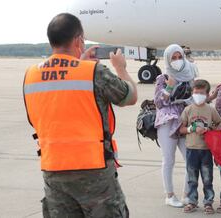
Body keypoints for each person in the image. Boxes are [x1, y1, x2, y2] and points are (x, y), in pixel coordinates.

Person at [23, 13, 137, 217]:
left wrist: (80, 63)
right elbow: (129, 97)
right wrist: (121, 68)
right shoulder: (93, 71)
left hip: (53, 169)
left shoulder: (31, 75)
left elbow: (39, 116)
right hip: (93, 170)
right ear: (78, 40)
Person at [154, 44, 197, 207]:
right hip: (167, 121)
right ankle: (170, 195)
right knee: (169, 159)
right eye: (174, 58)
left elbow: (195, 97)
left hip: (185, 120)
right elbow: (158, 102)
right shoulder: (162, 77)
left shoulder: (189, 75)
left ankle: (187, 194)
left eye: (180, 57)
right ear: (168, 59)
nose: (178, 61)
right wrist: (169, 87)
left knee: (190, 159)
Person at [179, 79, 221, 214]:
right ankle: (192, 201)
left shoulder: (210, 109)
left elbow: (219, 125)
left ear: (207, 94)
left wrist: (209, 129)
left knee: (207, 178)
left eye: (202, 93)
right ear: (192, 93)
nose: (198, 95)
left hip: (206, 149)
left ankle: (208, 202)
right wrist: (191, 129)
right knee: (192, 178)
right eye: (196, 92)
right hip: (191, 149)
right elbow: (181, 129)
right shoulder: (188, 109)